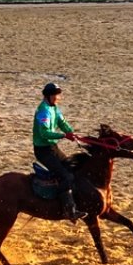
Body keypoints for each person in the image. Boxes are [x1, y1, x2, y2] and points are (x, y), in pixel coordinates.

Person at [33, 82, 84, 220]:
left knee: (71, 168)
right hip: (43, 150)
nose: (58, 98)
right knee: (65, 176)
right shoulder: (43, 111)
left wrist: (70, 132)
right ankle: (70, 211)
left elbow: (62, 123)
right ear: (49, 96)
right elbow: (44, 133)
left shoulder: (54, 108)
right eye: (56, 95)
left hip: (52, 148)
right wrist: (63, 135)